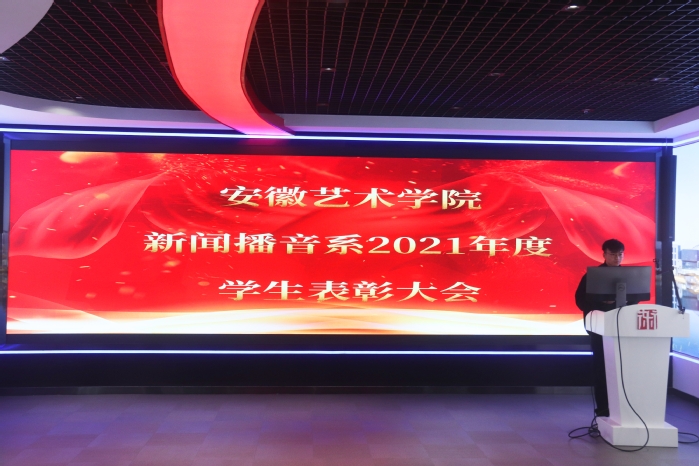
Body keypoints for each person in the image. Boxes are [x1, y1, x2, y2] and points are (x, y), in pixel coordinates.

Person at [574, 239, 639, 419]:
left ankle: (624, 409)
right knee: (602, 369)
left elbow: (636, 297)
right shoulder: (592, 275)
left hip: (623, 327)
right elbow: (580, 300)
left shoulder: (630, 275)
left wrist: (623, 301)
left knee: (623, 369)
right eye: (613, 254)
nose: (617, 258)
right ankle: (603, 410)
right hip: (600, 328)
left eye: (620, 254)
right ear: (604, 254)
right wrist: (602, 303)